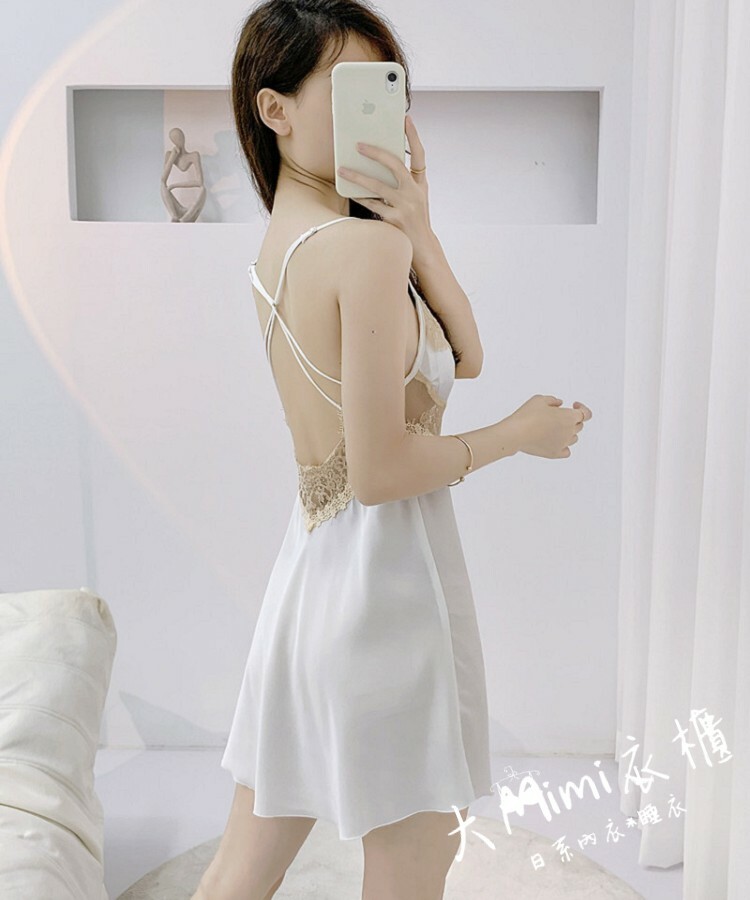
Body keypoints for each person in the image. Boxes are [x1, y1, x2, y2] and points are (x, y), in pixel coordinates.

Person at [193, 2, 592, 898]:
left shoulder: (287, 247)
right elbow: (379, 474)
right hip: (385, 597)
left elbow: (464, 355)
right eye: (348, 89)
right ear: (274, 109)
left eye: (388, 90)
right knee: (414, 863)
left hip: (307, 584)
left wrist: (419, 223)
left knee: (243, 866)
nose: (380, 113)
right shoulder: (362, 250)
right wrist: (519, 436)